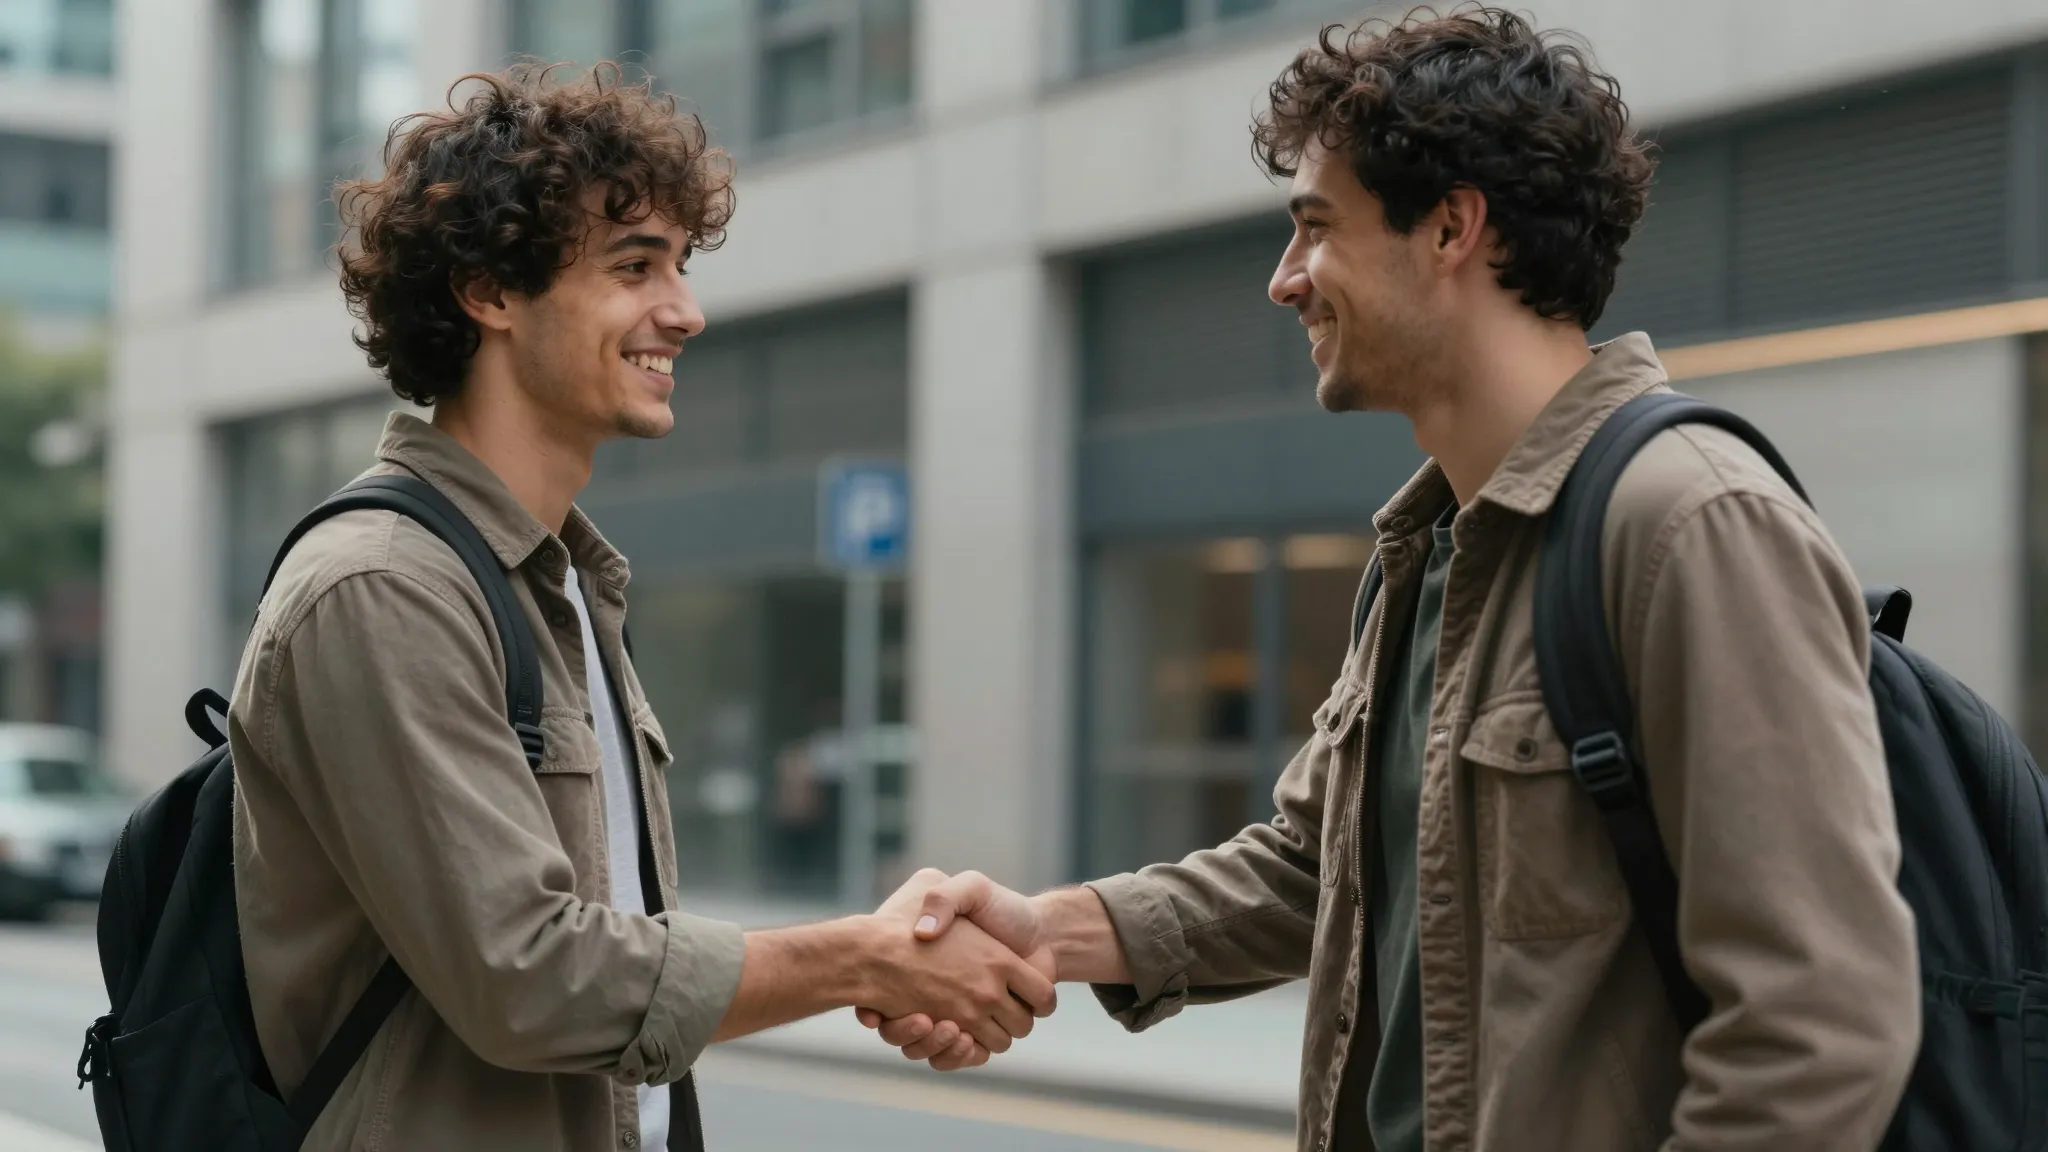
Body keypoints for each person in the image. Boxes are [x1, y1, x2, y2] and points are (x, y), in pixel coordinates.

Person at [861, 8, 1920, 1151]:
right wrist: (1047, 933)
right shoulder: (1429, 552)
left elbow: (1817, 1023)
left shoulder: (1688, 524)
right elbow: (1315, 870)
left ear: (1452, 228)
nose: (1285, 282)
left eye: (1315, 229)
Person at [229, 65, 1050, 1152]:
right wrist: (867, 955)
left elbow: (613, 965)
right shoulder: (384, 587)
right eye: (634, 266)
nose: (685, 311)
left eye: (679, 265)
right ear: (489, 292)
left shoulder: (559, 584)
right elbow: (528, 979)